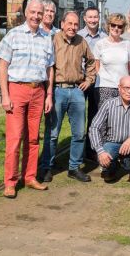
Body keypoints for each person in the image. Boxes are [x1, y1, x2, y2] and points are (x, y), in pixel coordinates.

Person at [0, 0, 54, 198]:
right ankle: (10, 182)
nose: (36, 16)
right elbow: (3, 65)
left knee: (33, 138)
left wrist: (49, 94)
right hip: (17, 89)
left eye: (40, 13)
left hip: (38, 91)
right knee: (15, 138)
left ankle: (29, 177)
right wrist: (5, 94)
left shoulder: (47, 38)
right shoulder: (14, 35)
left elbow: (50, 68)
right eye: (33, 12)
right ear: (25, 13)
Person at [41, 11, 96, 183]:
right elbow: (45, 63)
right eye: (70, 24)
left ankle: (74, 167)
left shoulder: (81, 41)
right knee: (52, 133)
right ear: (62, 23)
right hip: (57, 90)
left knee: (79, 132)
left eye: (75, 24)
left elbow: (91, 62)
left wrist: (89, 79)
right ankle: (46, 167)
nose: (73, 27)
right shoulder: (53, 40)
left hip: (77, 91)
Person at [89, 76, 130, 186]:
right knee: (105, 157)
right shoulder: (108, 104)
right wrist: (100, 151)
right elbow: (94, 127)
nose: (129, 91)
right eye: (126, 87)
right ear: (119, 88)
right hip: (112, 143)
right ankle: (111, 169)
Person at [78, 7, 107, 161]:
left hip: (98, 82)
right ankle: (77, 151)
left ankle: (91, 150)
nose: (93, 20)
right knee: (79, 118)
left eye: (95, 17)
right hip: (81, 82)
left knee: (95, 117)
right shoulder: (79, 36)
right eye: (90, 17)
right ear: (85, 19)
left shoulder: (105, 36)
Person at [94, 13, 130, 108]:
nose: (116, 28)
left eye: (119, 26)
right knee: (105, 118)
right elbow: (97, 67)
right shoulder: (100, 44)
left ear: (123, 29)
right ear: (109, 26)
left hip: (123, 88)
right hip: (104, 86)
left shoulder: (127, 44)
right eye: (113, 25)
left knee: (122, 118)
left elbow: (129, 68)